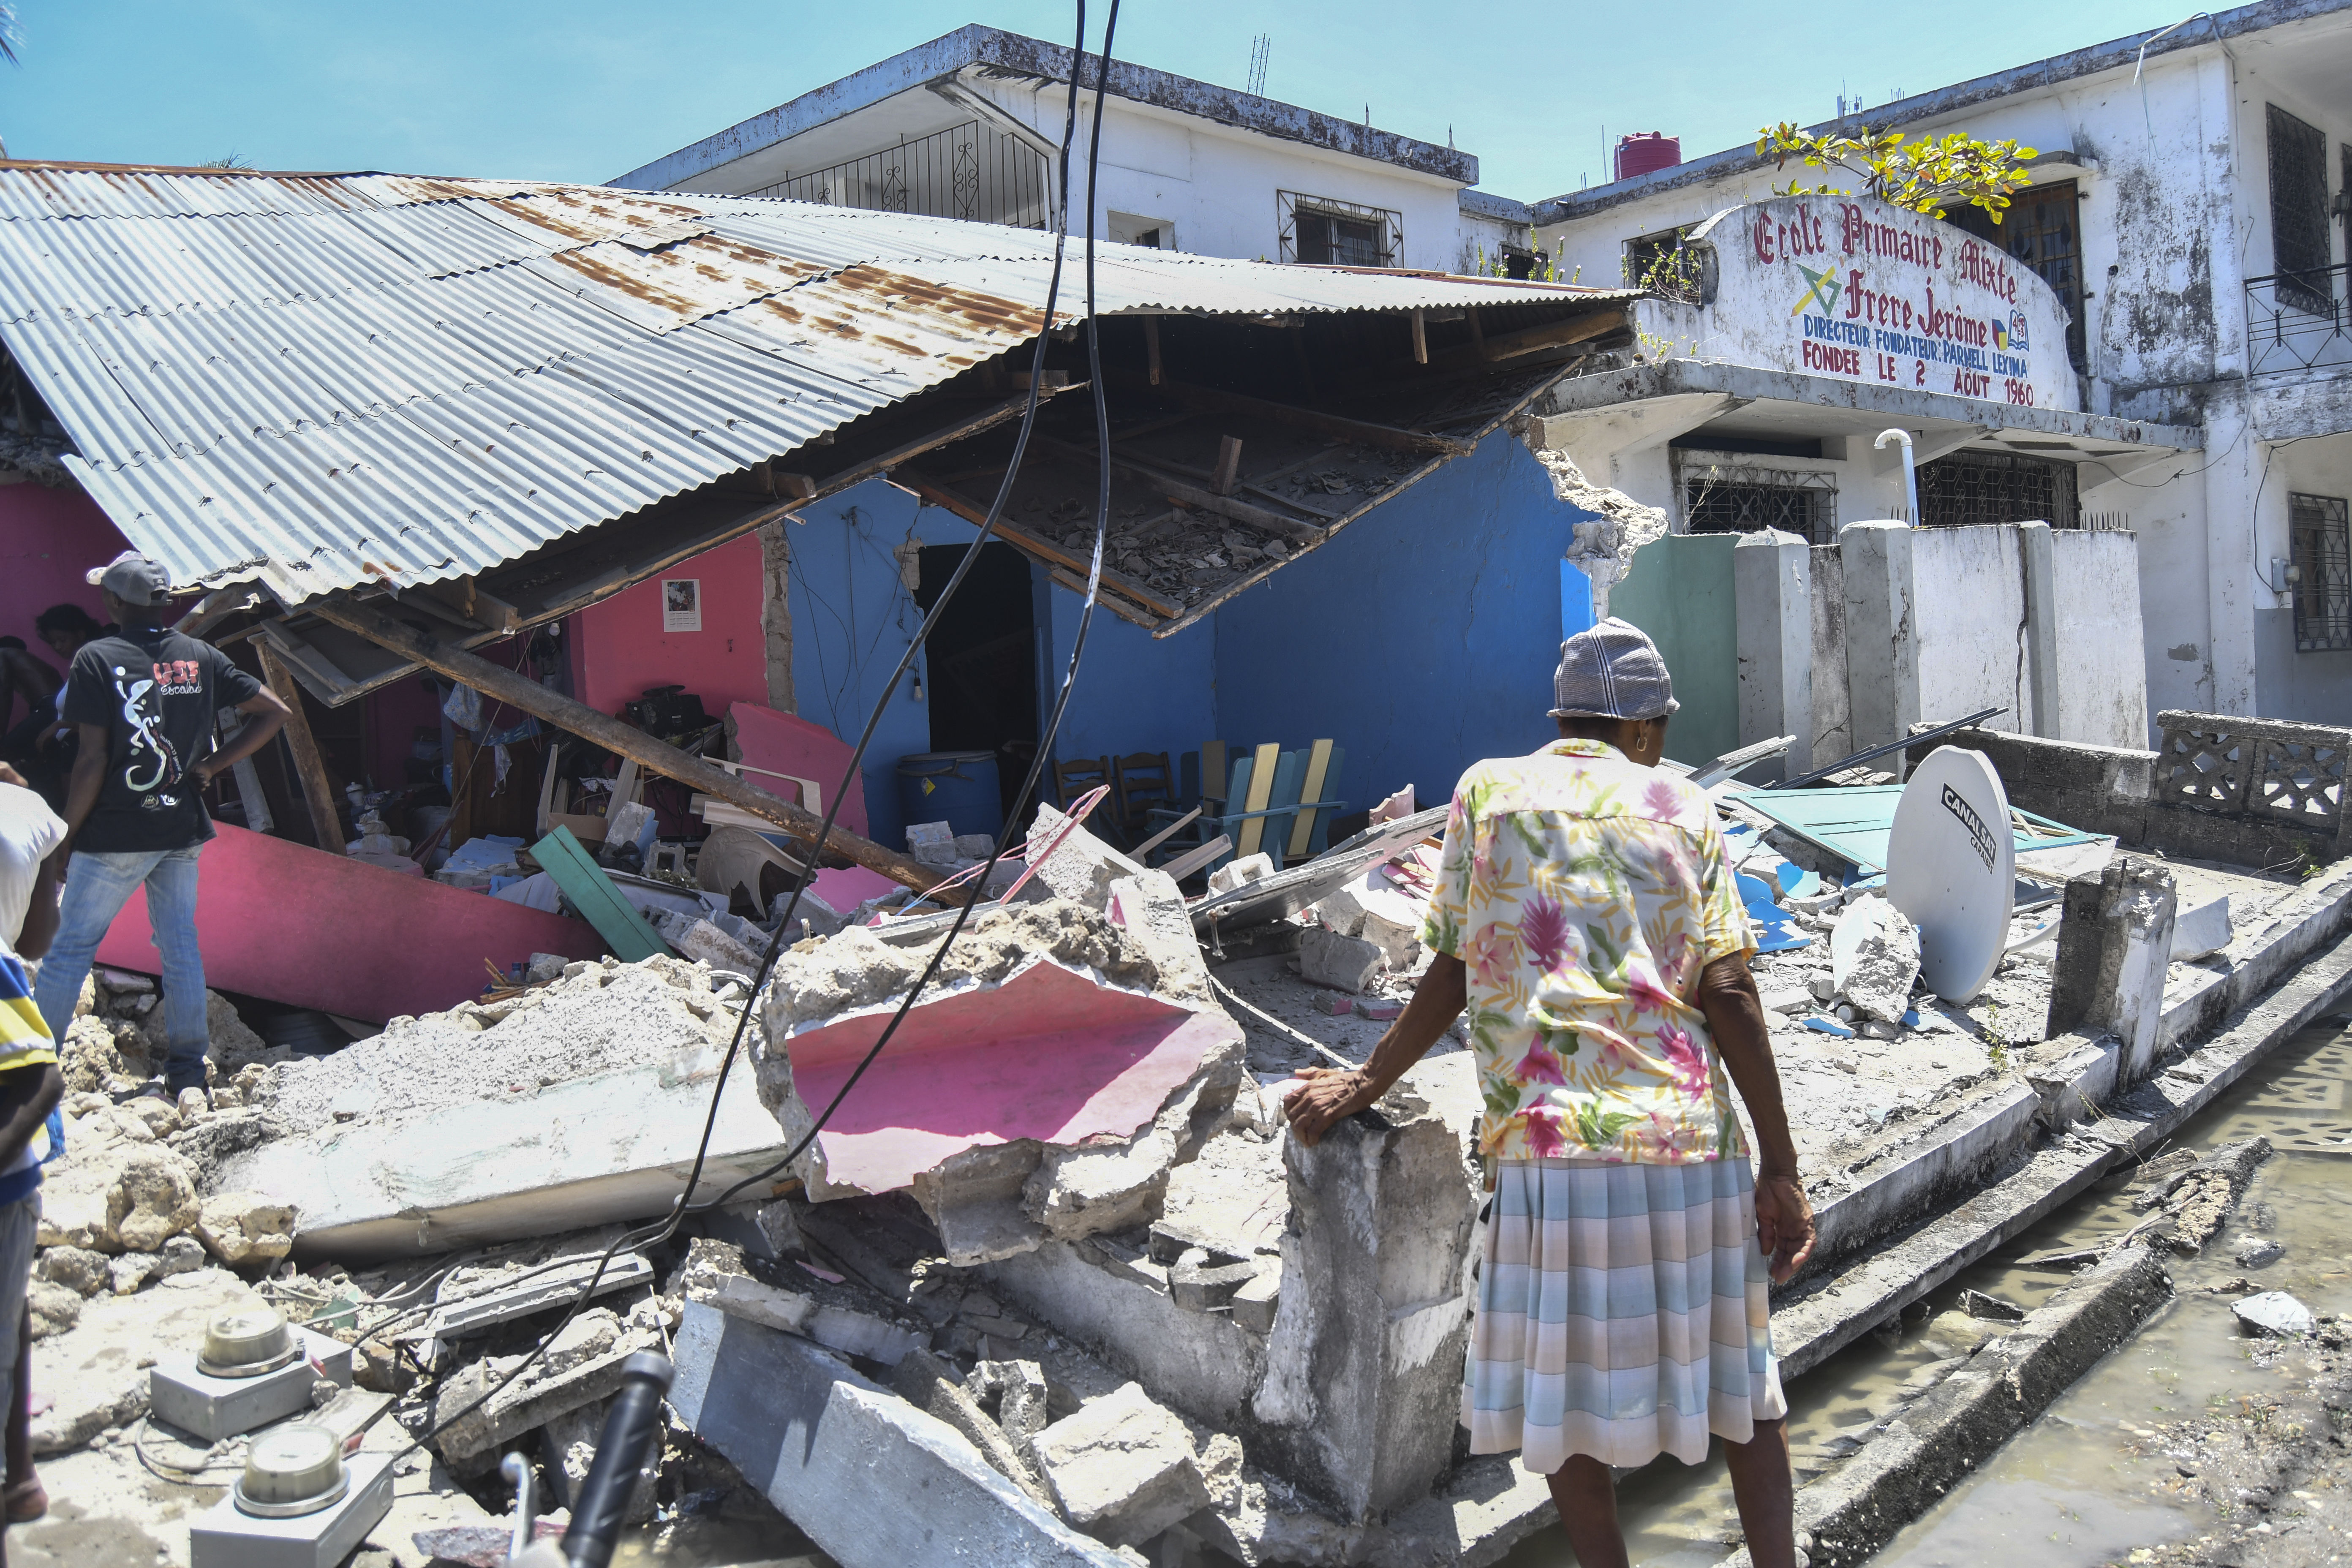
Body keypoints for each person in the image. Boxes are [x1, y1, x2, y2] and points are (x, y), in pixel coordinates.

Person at [1284, 618, 1817, 1568]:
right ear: (1647, 727)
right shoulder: (1683, 802)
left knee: (1566, 1404)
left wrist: (1366, 1080)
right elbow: (1729, 990)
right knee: (1742, 1387)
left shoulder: (1487, 791)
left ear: (1563, 717)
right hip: (1687, 1143)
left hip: (1551, 1148)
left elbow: (1452, 965)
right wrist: (1781, 1165)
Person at [29, 553, 289, 1101]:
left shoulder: (97, 658)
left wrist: (65, 835)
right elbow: (274, 711)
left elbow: (92, 760)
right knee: (180, 950)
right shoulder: (199, 655)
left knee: (70, 950)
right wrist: (214, 766)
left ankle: (32, 1076)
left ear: (114, 603)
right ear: (164, 602)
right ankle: (188, 1072)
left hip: (116, 834)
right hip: (180, 831)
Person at [0, 761, 66, 1561]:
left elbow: (41, 1077)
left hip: (10, 1174)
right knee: (10, 1308)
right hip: (14, 1176)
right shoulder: (25, 808)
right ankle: (18, 1474)